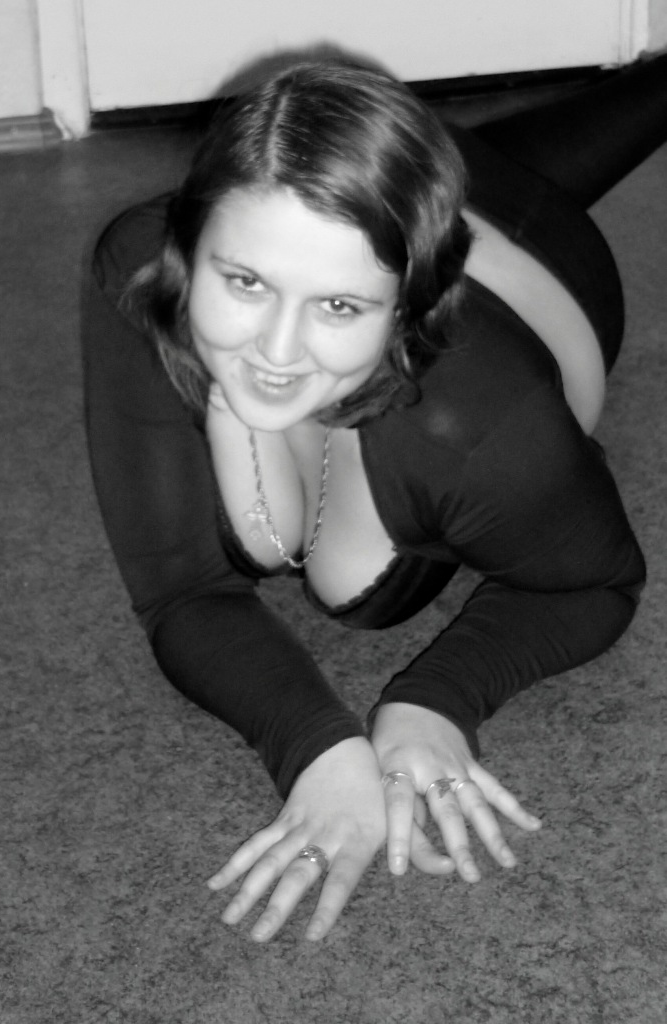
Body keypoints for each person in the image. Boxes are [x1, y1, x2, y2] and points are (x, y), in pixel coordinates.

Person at [83, 50, 666, 943]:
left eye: (340, 308)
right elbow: (180, 590)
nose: (277, 350)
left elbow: (597, 580)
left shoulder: (476, 429)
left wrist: (436, 701)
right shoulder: (144, 267)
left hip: (553, 262)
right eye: (245, 282)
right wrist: (317, 749)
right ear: (190, 244)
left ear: (404, 311)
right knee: (458, 159)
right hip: (421, 192)